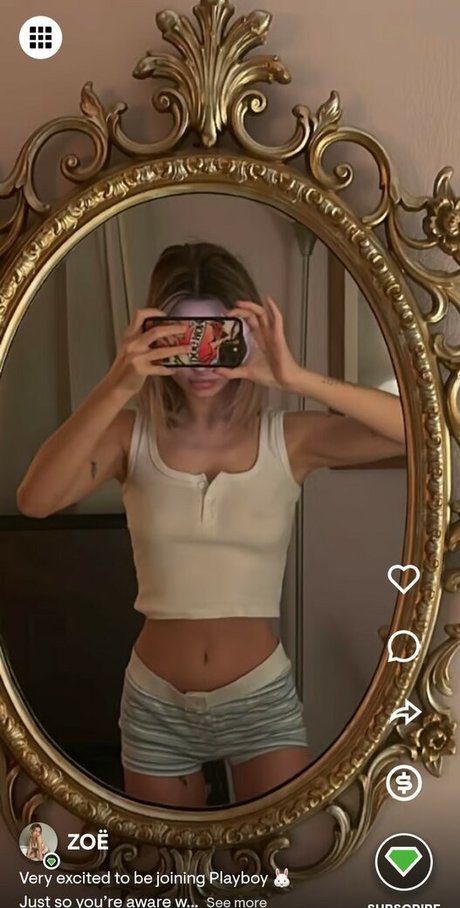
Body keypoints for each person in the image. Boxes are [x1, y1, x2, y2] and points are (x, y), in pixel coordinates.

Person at [17, 242, 405, 808]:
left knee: (280, 852)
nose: (201, 360)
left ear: (246, 334)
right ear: (154, 336)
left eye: (218, 337)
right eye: (182, 337)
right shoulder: (130, 435)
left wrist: (296, 377)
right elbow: (35, 500)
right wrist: (118, 382)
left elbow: (422, 429)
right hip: (154, 702)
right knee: (168, 861)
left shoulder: (288, 438)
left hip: (260, 700)